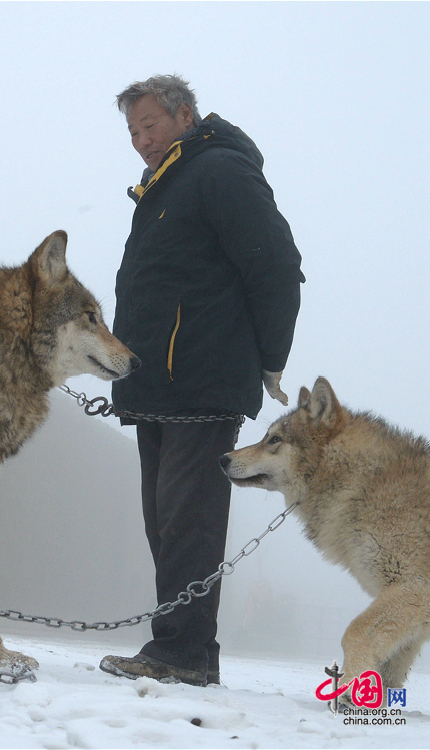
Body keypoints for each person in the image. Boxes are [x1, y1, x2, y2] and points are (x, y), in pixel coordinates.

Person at [100, 75, 305, 687]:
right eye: (132, 131)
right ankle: (183, 649)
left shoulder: (218, 171)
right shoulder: (163, 186)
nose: (140, 140)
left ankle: (183, 655)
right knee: (163, 523)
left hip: (201, 381)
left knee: (187, 523)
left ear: (184, 115)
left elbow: (275, 262)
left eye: (149, 125)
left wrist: (271, 357)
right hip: (156, 385)